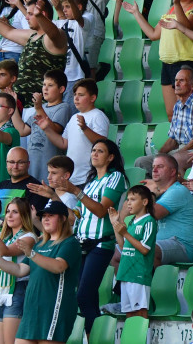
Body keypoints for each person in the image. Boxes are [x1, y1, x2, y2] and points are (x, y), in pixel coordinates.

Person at [0, 200, 82, 344]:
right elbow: (19, 270)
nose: (45, 219)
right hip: (32, 310)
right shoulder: (40, 244)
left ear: (63, 218)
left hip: (54, 308)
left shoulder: (70, 242)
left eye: (51, 215)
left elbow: (59, 266)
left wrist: (31, 254)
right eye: (44, 216)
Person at [53, 139, 126, 328]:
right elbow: (74, 216)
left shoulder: (115, 177)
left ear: (111, 157)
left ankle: (95, 335)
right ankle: (93, 335)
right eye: (93, 150)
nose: (94, 153)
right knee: (88, 297)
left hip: (101, 243)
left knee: (83, 295)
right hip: (82, 244)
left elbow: (101, 211)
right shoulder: (91, 182)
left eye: (100, 151)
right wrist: (53, 196)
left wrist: (76, 191)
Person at [121, 0, 193, 115]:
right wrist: (136, 14)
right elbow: (154, 34)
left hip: (187, 62)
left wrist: (177, 4)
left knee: (186, 111)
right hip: (167, 63)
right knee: (171, 113)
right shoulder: (171, 9)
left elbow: (187, 26)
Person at [0, 197, 37, 344]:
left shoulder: (29, 237)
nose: (9, 215)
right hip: (0, 291)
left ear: (24, 215)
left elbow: (4, 251)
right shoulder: (5, 238)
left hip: (18, 290)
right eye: (7, 212)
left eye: (15, 212)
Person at [136, 67, 193, 172]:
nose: (176, 84)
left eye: (181, 81)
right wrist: (159, 155)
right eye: (176, 80)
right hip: (178, 150)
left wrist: (171, 157)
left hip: (192, 150)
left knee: (175, 159)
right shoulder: (177, 105)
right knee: (141, 162)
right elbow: (172, 140)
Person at [143, 154, 193, 266]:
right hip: (160, 243)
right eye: (153, 166)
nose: (154, 170)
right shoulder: (161, 193)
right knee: (116, 253)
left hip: (182, 245)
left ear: (173, 172)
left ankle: (154, 278)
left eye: (160, 166)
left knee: (148, 250)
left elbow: (153, 214)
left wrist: (151, 193)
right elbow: (130, 210)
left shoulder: (177, 191)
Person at [109, 185, 156, 319]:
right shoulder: (131, 222)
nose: (128, 203)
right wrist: (115, 225)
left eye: (133, 199)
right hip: (126, 273)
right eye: (128, 199)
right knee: (129, 314)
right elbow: (123, 246)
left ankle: (143, 333)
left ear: (145, 202)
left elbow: (144, 249)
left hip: (138, 275)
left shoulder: (149, 221)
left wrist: (125, 233)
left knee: (140, 313)